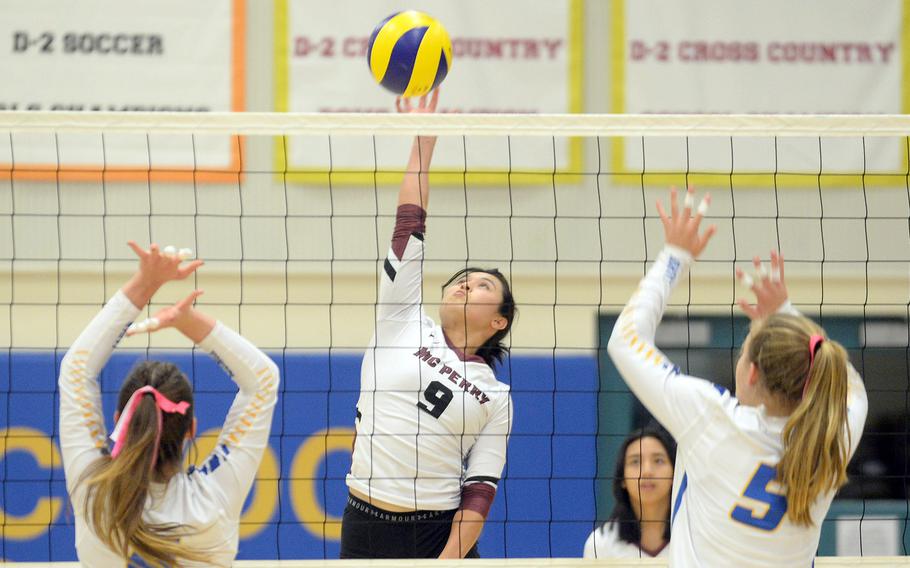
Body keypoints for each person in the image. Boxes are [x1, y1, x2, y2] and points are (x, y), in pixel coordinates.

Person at [607, 187, 868, 566]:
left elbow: (625, 340)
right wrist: (787, 314)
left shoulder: (713, 419)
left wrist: (674, 256)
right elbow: (852, 387)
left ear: (752, 373)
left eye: (744, 349)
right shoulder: (832, 439)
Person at [341, 90, 517, 559]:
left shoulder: (495, 395)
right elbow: (409, 225)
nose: (464, 285)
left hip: (438, 533)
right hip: (366, 522)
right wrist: (423, 140)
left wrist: (447, 560)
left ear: (499, 321)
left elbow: (480, 488)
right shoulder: (402, 320)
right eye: (461, 280)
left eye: (481, 286)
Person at [59, 242, 280, 567]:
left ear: (121, 419)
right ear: (191, 429)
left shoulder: (95, 495)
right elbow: (263, 378)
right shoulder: (211, 501)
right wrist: (186, 321)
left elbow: (75, 370)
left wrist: (144, 283)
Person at [583, 426, 675, 559]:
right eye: (635, 461)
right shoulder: (600, 544)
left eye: (658, 460)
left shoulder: (695, 538)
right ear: (623, 479)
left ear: (675, 474)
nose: (647, 471)